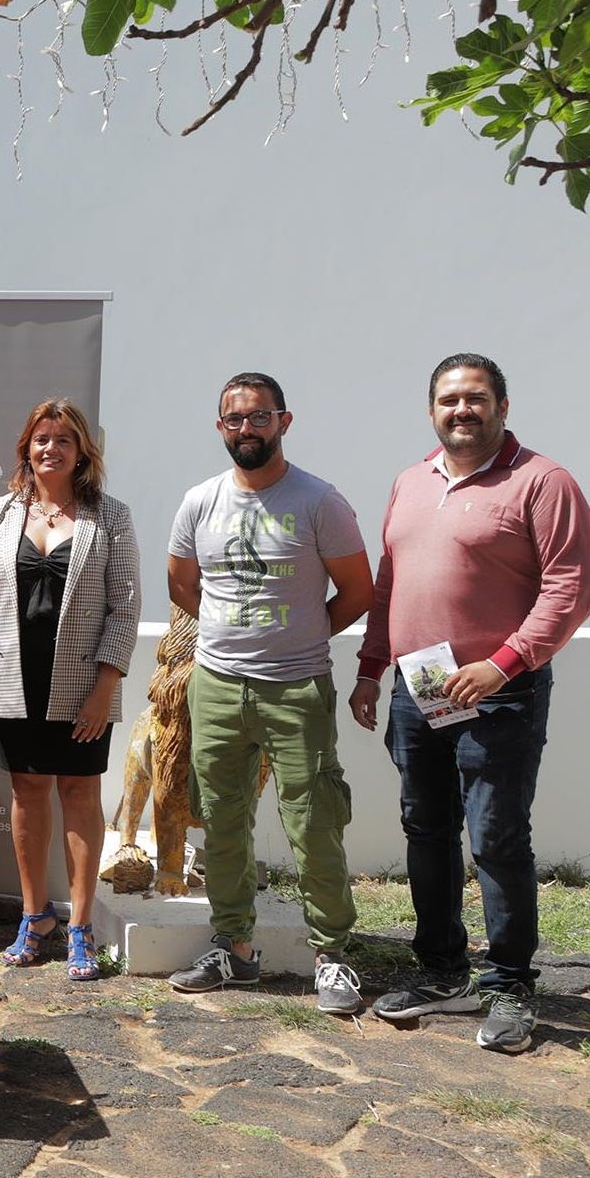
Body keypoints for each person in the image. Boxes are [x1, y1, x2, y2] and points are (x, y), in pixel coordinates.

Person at [350, 353, 590, 1052]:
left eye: (476, 398)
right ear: (431, 409)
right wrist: (372, 666)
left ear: (502, 405)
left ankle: (509, 983)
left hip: (501, 692)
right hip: (418, 685)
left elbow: (569, 590)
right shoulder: (409, 480)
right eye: (449, 400)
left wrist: (500, 664)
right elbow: (387, 581)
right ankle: (441, 970)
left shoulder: (542, 482)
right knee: (425, 829)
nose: (462, 410)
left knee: (494, 836)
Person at [165, 372, 375, 1013]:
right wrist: (230, 641)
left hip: (297, 688)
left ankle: (332, 956)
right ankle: (234, 948)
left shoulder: (320, 502)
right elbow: (182, 586)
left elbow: (359, 593)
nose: (247, 429)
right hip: (218, 685)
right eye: (234, 419)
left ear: (284, 421)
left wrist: (302, 639)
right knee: (222, 821)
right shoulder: (200, 502)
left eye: (260, 418)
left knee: (314, 821)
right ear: (220, 427)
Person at [0, 400, 141, 979]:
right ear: (26, 448)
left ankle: (80, 926)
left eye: (63, 439)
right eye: (41, 438)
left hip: (84, 684)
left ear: (82, 450)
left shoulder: (109, 516)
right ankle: (35, 917)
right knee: (28, 790)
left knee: (81, 793)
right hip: (12, 681)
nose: (50, 449)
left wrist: (104, 684)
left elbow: (125, 605)